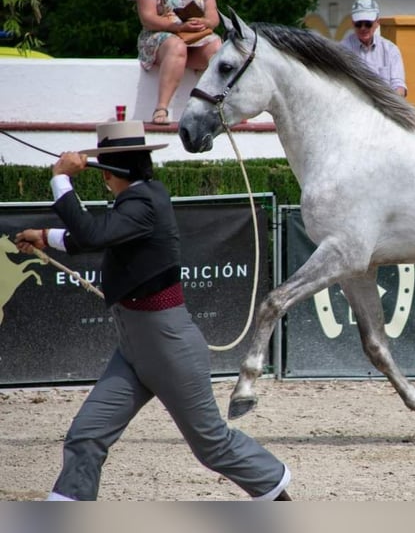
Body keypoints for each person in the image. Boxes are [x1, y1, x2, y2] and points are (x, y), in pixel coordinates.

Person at [14, 121, 291, 502]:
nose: (102, 177)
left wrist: (61, 180)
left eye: (103, 169)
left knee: (212, 445)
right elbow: (101, 235)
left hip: (167, 345)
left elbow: (94, 234)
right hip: (135, 348)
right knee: (87, 435)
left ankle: (279, 499)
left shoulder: (143, 202)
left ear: (113, 171)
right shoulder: (140, 199)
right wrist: (45, 237)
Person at [128, 0, 222, 125]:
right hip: (160, 34)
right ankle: (161, 108)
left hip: (194, 36)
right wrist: (177, 27)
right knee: (177, 47)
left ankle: (223, 107)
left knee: (217, 48)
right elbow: (147, 18)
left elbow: (213, 17)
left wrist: (203, 22)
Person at [339, 0, 407, 96]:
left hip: (385, 107)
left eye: (368, 24)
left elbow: (399, 86)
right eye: (358, 24)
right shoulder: (342, 50)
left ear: (377, 23)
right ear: (353, 23)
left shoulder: (391, 50)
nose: (363, 28)